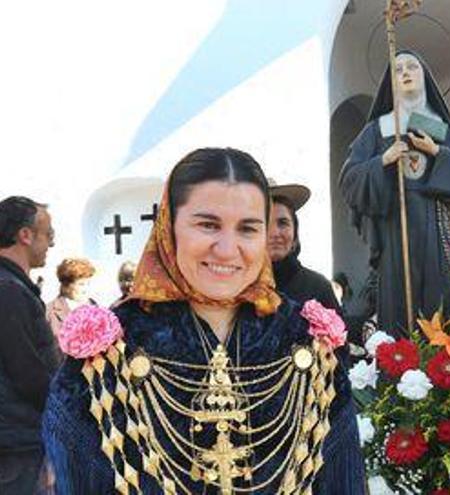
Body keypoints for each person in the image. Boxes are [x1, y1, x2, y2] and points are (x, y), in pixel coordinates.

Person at [42, 148, 364, 493]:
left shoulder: (304, 340)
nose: (227, 249)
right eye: (208, 224)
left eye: (248, 229)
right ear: (169, 228)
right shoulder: (108, 354)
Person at [339, 50, 450, 336]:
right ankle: (400, 372)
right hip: (395, 227)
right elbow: (350, 180)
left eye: (412, 66)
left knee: (441, 304)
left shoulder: (437, 126)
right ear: (390, 82)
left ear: (424, 76)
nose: (405, 72)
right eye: (398, 68)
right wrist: (383, 160)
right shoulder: (377, 129)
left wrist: (437, 151)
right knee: (399, 304)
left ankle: (447, 371)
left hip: (436, 226)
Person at [0, 195, 59, 493]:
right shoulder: (8, 290)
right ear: (25, 235)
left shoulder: (13, 286)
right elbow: (28, 374)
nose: (51, 243)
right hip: (16, 447)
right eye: (48, 234)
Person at [268, 179, 340, 310]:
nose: (275, 233)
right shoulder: (234, 288)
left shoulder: (318, 287)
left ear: (295, 233)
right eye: (265, 223)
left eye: (283, 223)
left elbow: (339, 330)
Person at [46, 257, 98, 337]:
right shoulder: (49, 311)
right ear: (66, 285)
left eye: (88, 283)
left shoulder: (97, 310)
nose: (86, 289)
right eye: (81, 284)